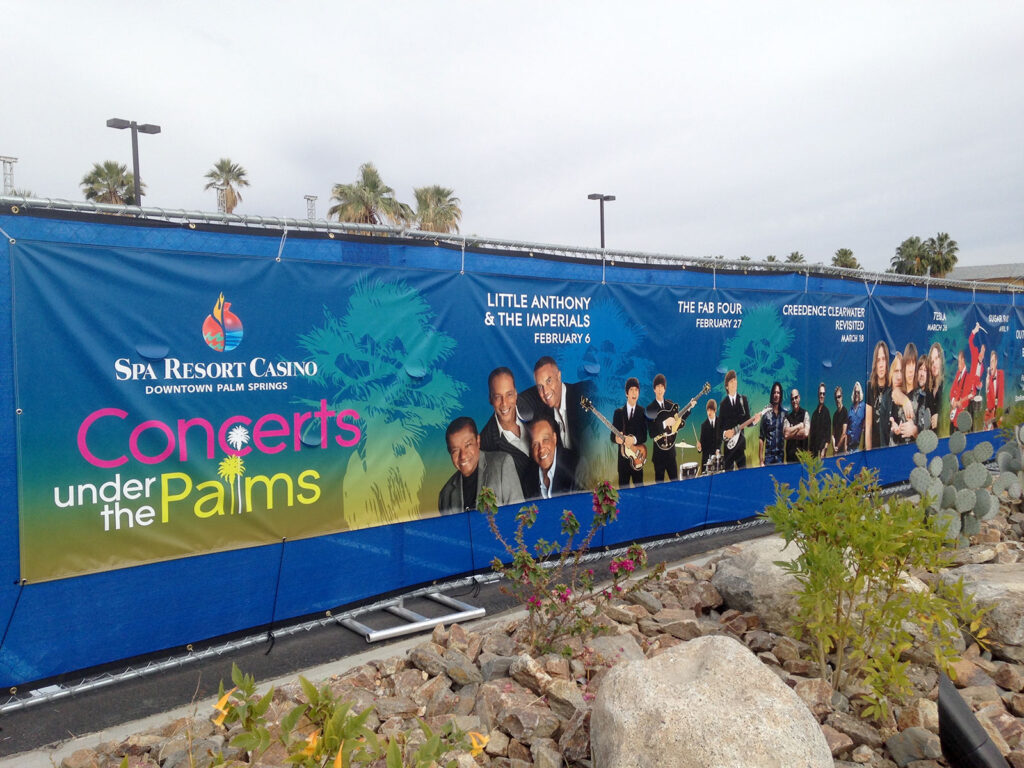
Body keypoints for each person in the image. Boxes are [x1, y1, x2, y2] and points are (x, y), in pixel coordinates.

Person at [438, 417, 524, 515]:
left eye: (468, 445)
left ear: (478, 441)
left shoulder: (502, 465)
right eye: (455, 450)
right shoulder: (445, 495)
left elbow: (519, 515)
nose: (463, 456)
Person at [479, 367, 536, 492]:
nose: (504, 403)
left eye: (509, 394)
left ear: (515, 394)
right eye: (498, 397)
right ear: (490, 399)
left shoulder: (536, 401)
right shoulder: (485, 444)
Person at [521, 356, 589, 453]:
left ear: (559, 376)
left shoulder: (582, 393)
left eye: (549, 381)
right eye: (540, 386)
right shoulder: (543, 415)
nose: (545, 391)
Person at [526, 415, 582, 499]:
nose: (541, 449)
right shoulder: (528, 477)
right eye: (535, 444)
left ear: (554, 438)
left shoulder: (577, 466)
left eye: (545, 440)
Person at [719, 370, 759, 470]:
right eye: (731, 381)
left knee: (743, 474)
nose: (734, 383)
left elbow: (747, 421)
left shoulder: (743, 400)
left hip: (740, 446)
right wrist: (725, 433)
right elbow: (720, 427)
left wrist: (754, 421)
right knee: (728, 476)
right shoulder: (723, 404)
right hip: (728, 447)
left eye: (735, 380)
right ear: (727, 386)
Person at [612, 377, 648, 487]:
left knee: (640, 491)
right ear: (626, 393)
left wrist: (633, 439)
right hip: (623, 462)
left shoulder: (642, 412)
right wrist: (616, 439)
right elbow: (612, 436)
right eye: (631, 390)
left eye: (636, 390)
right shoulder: (618, 413)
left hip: (638, 458)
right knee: (623, 493)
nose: (634, 393)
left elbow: (644, 436)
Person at [646, 373, 679, 482]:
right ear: (654, 389)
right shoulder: (650, 408)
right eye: (657, 386)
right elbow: (651, 433)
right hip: (658, 456)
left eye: (662, 386)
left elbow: (678, 421)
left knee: (676, 483)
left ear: (665, 389)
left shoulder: (670, 404)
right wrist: (665, 423)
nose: (660, 389)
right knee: (659, 486)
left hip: (671, 453)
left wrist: (689, 408)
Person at [866, 340, 891, 450]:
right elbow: (868, 427)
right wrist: (869, 453)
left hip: (889, 447)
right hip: (874, 448)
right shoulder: (870, 387)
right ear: (875, 364)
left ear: (887, 362)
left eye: (883, 359)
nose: (881, 364)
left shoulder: (892, 387)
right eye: (878, 360)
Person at [888, 352, 917, 445]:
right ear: (891, 373)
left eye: (902, 371)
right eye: (896, 371)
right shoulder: (886, 397)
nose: (899, 377)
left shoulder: (912, 395)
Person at [758, 381, 786, 466]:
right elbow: (761, 438)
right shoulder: (766, 414)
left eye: (778, 393)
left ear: (780, 395)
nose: (776, 395)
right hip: (769, 457)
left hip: (780, 457)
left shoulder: (784, 414)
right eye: (774, 392)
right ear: (772, 395)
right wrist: (761, 461)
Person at [783, 388, 810, 462]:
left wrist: (791, 433)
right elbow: (786, 435)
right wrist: (799, 426)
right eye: (792, 399)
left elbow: (805, 433)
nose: (794, 401)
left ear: (799, 398)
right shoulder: (787, 417)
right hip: (790, 458)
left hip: (803, 458)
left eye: (796, 397)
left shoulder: (805, 414)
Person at [697, 399, 722, 473]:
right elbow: (702, 443)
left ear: (715, 410)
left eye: (711, 410)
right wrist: (699, 448)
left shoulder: (720, 422)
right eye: (708, 410)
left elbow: (721, 438)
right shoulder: (703, 425)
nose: (709, 412)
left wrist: (718, 449)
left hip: (717, 457)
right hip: (706, 459)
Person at [809, 382, 831, 458]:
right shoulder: (814, 414)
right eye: (820, 393)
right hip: (814, 452)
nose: (822, 396)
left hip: (822, 452)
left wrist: (824, 450)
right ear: (818, 394)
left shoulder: (827, 412)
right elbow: (812, 436)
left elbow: (828, 435)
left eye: (823, 394)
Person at [984, 349, 1005, 429]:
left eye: (993, 361)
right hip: (990, 412)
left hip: (997, 411)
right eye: (990, 362)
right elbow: (989, 401)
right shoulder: (988, 378)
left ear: (996, 362)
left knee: (998, 431)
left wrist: (999, 413)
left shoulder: (1001, 374)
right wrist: (988, 382)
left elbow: (1001, 395)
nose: (991, 364)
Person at [927, 342, 945, 432]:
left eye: (936, 358)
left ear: (941, 360)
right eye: (931, 361)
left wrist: (940, 417)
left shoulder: (947, 385)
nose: (934, 364)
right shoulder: (929, 388)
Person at [847, 381, 866, 451]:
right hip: (849, 447)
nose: (856, 394)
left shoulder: (863, 406)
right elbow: (848, 428)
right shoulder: (850, 410)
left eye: (858, 392)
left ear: (860, 393)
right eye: (855, 392)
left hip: (858, 447)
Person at [831, 385, 849, 454]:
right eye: (836, 397)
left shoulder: (845, 412)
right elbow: (833, 434)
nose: (837, 399)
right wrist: (834, 447)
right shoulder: (835, 415)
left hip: (842, 450)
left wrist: (837, 448)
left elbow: (844, 434)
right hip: (835, 450)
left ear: (842, 397)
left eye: (839, 397)